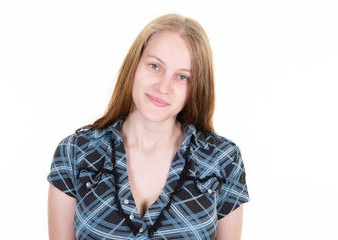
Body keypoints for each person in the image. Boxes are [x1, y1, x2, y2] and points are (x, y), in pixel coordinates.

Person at [47, 13, 250, 240]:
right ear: (134, 65)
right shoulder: (75, 153)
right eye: (155, 66)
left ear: (196, 87)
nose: (163, 86)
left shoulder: (223, 160)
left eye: (182, 77)